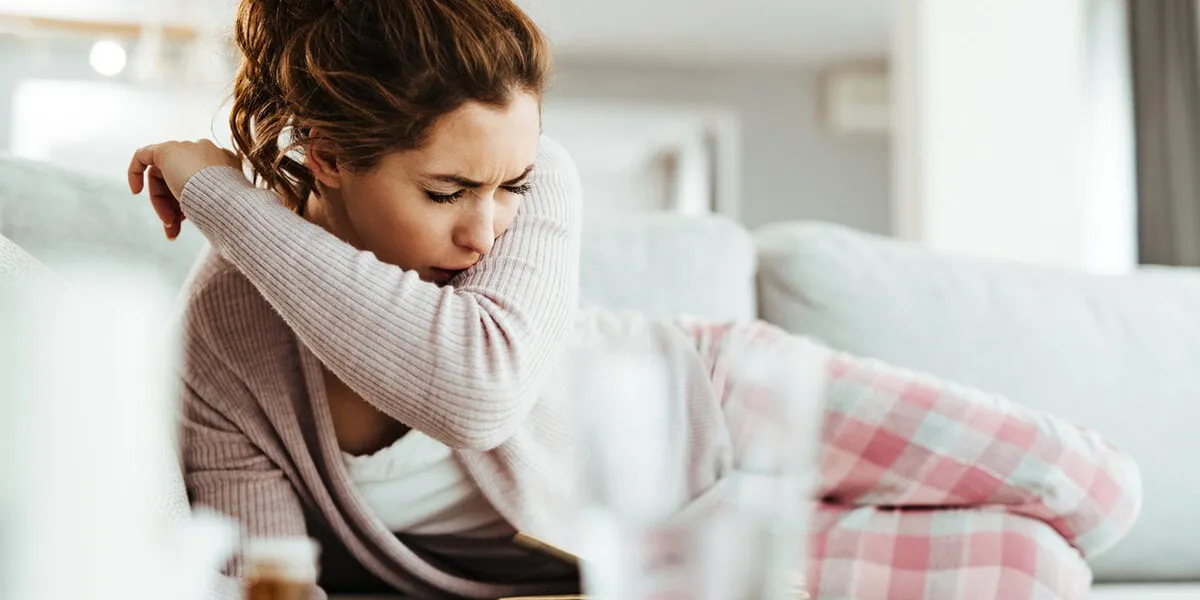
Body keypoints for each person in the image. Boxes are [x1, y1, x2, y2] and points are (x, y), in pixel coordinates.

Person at [127, 0, 1142, 598]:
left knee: (1095, 490)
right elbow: (268, 581)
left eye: (508, 185)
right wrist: (246, 226)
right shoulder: (224, 337)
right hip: (656, 554)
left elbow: (477, 388)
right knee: (1032, 573)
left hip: (718, 399)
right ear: (325, 156)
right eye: (446, 193)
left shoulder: (545, 189)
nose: (487, 230)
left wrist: (226, 200)